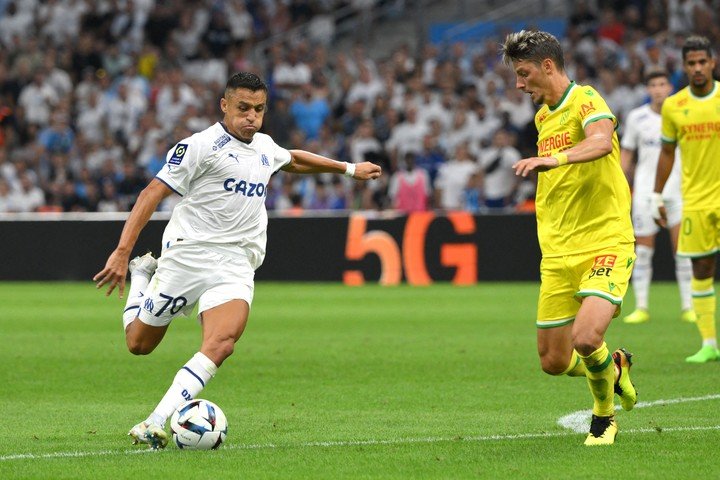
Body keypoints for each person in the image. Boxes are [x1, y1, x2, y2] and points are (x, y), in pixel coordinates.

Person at [93, 72, 382, 449]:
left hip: (235, 263)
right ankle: (142, 275)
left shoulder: (264, 146)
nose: (251, 117)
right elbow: (152, 193)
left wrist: (348, 169)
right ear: (225, 105)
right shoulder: (199, 147)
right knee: (139, 344)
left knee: (223, 342)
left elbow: (292, 160)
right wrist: (122, 251)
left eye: (259, 110)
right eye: (243, 108)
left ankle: (154, 421)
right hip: (188, 256)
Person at [502, 30, 637, 446]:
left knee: (585, 337)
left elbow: (599, 142)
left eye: (524, 74)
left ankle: (603, 416)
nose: (519, 84)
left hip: (605, 241)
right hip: (558, 251)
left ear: (548, 66)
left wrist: (553, 157)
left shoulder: (587, 100)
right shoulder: (543, 116)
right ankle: (613, 368)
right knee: (554, 361)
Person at [653, 36, 720, 364]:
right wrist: (656, 195)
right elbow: (666, 152)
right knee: (701, 266)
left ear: (712, 63)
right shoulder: (674, 106)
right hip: (695, 199)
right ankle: (709, 343)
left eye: (702, 62)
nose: (697, 68)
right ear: (684, 66)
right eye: (691, 63)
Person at [621, 70, 695, 325]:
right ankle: (641, 307)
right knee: (642, 250)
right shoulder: (636, 118)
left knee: (683, 251)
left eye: (662, 84)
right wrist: (621, 185)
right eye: (652, 85)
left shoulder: (681, 113)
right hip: (644, 191)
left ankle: (688, 306)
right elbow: (627, 154)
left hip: (678, 190)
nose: (658, 89)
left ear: (669, 87)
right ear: (647, 89)